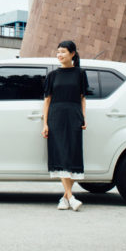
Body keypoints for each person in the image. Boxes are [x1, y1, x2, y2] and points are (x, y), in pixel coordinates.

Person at [41, 40, 88, 211]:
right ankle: (71, 197)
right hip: (56, 118)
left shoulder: (80, 73)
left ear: (72, 54)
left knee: (72, 156)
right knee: (61, 155)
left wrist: (83, 118)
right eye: (58, 52)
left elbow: (82, 98)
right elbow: (47, 101)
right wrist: (45, 124)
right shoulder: (53, 75)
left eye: (63, 52)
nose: (59, 55)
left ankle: (65, 198)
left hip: (74, 116)